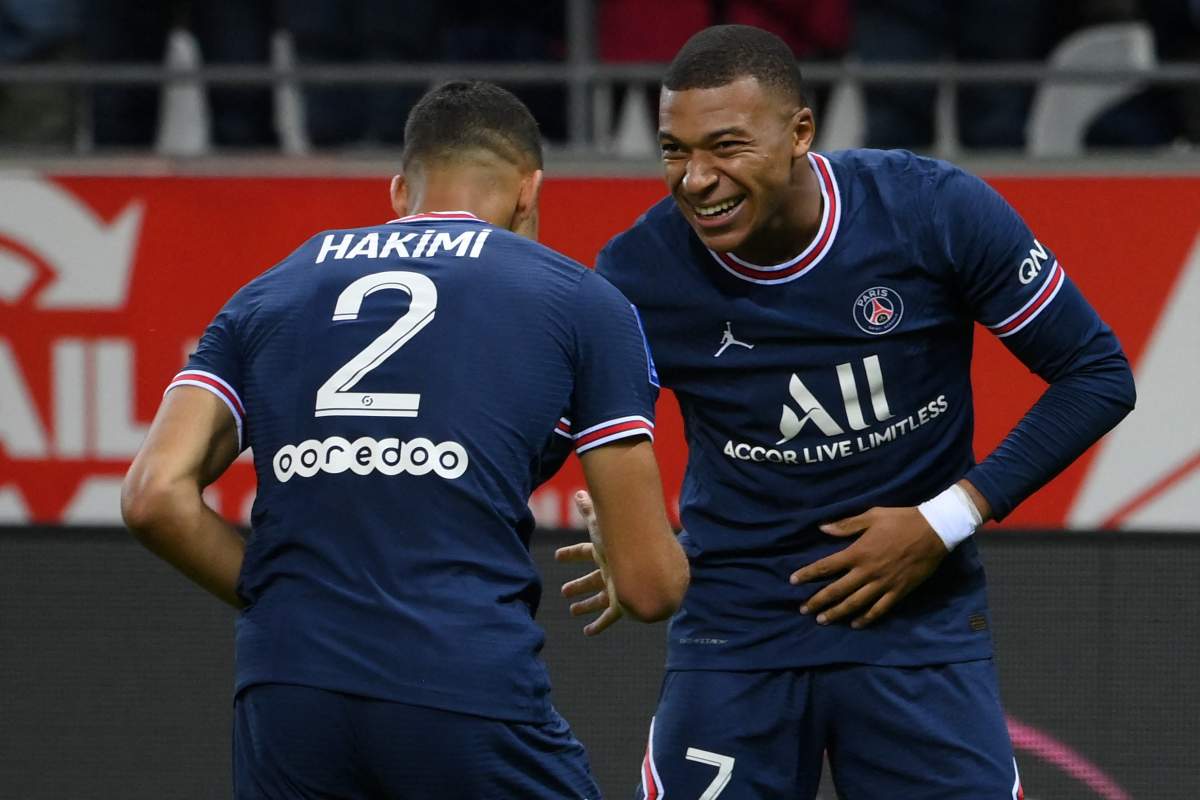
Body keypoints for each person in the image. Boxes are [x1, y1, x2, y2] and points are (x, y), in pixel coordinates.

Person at [561, 25, 1136, 799]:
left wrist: (944, 520)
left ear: (801, 132)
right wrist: (629, 537)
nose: (696, 179)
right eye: (674, 150)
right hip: (738, 636)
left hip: (917, 632)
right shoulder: (636, 272)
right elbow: (553, 432)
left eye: (726, 146)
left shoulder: (931, 209)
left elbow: (1096, 375)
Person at [121, 80, 688, 799]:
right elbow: (649, 587)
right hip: (460, 680)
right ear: (529, 190)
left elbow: (153, 496)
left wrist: (293, 601)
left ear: (399, 192)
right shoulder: (581, 300)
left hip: (287, 690)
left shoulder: (270, 290)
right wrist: (633, 548)